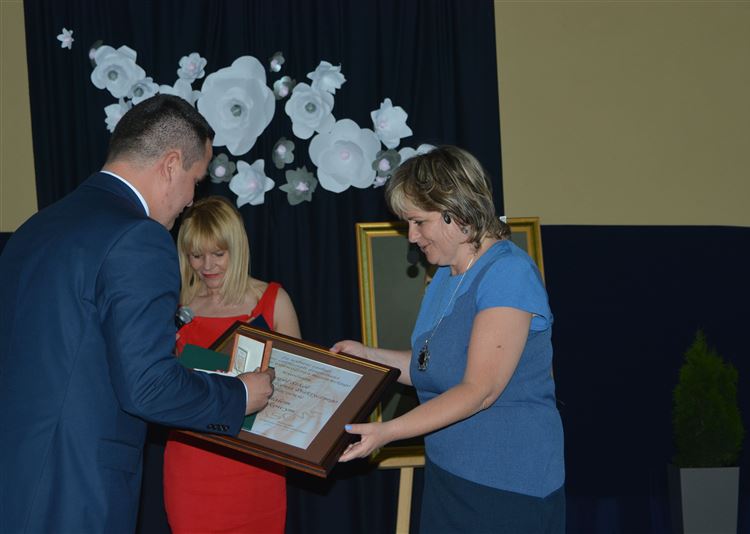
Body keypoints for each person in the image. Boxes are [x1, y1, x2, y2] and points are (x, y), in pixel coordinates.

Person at [0, 95, 275, 533]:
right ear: (171, 164)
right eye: (195, 181)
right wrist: (239, 395)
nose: (191, 200)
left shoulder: (35, 228)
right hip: (77, 491)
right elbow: (147, 387)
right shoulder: (138, 238)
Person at [332, 146, 565, 533]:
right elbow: (429, 366)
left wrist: (387, 432)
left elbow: (479, 390)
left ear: (455, 212)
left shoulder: (508, 272)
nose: (411, 236)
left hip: (508, 484)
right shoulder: (445, 275)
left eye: (418, 222)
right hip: (451, 474)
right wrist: (365, 355)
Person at [164, 196, 301, 534]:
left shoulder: (272, 301)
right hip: (192, 463)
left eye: (218, 254)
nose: (207, 266)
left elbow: (299, 387)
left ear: (237, 249)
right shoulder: (175, 305)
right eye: (196, 255)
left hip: (256, 465)